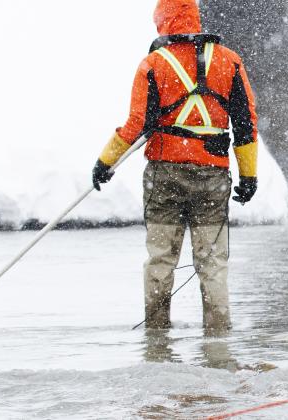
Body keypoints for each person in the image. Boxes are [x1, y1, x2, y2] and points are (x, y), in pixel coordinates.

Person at [91, 0, 259, 331]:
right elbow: (245, 123)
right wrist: (249, 175)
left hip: (163, 174)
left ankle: (156, 336)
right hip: (212, 176)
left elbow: (138, 123)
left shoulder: (153, 64)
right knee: (212, 264)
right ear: (195, 19)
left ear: (163, 21)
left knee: (160, 260)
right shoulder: (230, 62)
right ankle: (218, 339)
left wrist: (105, 162)